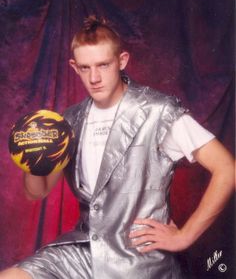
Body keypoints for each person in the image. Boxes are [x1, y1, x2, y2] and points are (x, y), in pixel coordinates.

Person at [0, 15, 234, 279]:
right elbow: (37, 192)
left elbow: (227, 168)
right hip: (84, 250)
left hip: (138, 258)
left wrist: (184, 236)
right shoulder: (68, 121)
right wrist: (32, 158)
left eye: (103, 65)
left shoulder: (158, 111)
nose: (94, 77)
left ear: (121, 61)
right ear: (74, 67)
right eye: (85, 68)